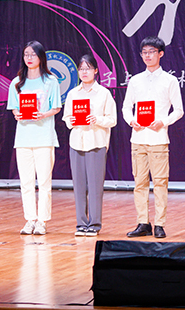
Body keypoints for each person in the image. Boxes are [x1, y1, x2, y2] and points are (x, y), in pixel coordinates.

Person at [122, 36, 184, 239]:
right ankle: (143, 222)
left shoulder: (169, 80)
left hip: (158, 139)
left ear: (161, 54)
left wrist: (163, 122)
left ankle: (159, 224)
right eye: (144, 52)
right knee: (139, 183)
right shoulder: (135, 80)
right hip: (138, 139)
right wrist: (132, 121)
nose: (147, 56)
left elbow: (179, 110)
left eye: (152, 52)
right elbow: (126, 107)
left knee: (160, 183)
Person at [7, 41, 61, 235]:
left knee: (44, 182)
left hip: (44, 137)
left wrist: (43, 114)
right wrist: (17, 114)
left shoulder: (51, 81)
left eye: (33, 54)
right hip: (23, 138)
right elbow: (14, 107)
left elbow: (56, 107)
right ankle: (30, 219)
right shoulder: (17, 82)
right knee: (26, 182)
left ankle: (42, 221)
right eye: (26, 54)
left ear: (41, 57)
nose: (29, 58)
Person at [62, 54, 117, 237]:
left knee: (95, 186)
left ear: (95, 71)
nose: (84, 72)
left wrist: (97, 119)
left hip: (96, 143)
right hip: (77, 143)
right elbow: (67, 118)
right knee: (78, 186)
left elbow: (112, 120)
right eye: (81, 69)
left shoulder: (103, 93)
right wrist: (72, 121)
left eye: (88, 68)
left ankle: (94, 223)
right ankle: (81, 224)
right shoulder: (73, 93)